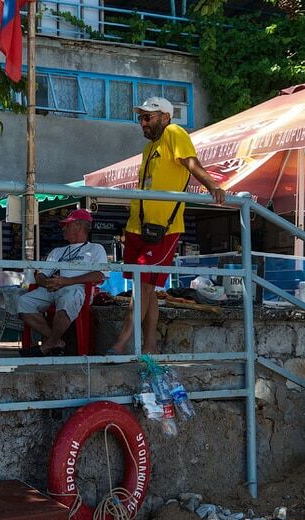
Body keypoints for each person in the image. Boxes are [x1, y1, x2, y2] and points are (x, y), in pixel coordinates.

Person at [109, 97, 226, 355]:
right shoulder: (150, 148)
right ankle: (149, 345)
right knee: (148, 288)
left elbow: (192, 163)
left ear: (165, 116)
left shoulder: (174, 132)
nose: (143, 123)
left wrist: (213, 186)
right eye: (140, 118)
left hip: (162, 227)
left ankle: (120, 344)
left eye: (148, 117)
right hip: (139, 226)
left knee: (143, 286)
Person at [17, 209, 107, 356]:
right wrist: (47, 283)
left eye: (67, 225)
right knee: (23, 302)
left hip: (77, 288)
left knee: (67, 300)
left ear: (78, 225)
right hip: (54, 287)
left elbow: (99, 275)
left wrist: (68, 281)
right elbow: (40, 274)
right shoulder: (58, 251)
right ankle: (56, 341)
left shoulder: (95, 249)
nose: (63, 228)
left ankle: (46, 347)